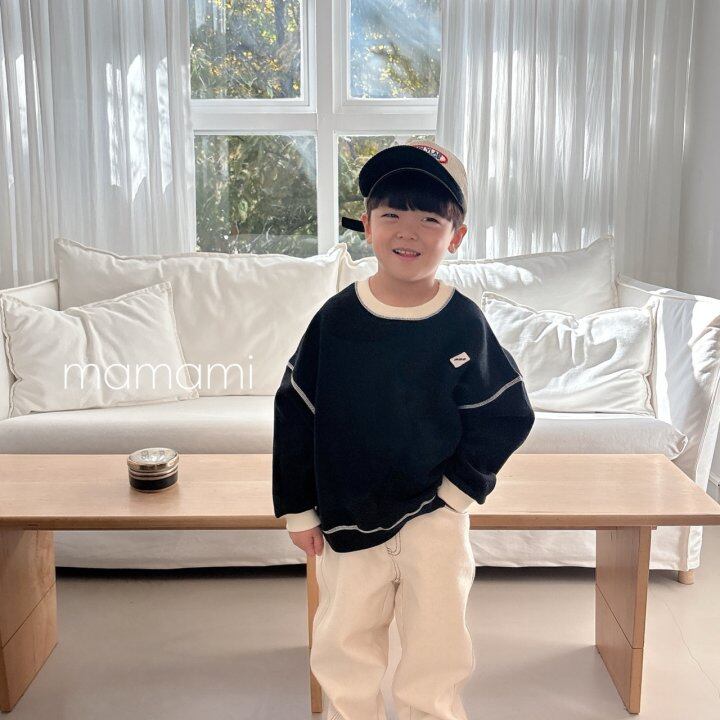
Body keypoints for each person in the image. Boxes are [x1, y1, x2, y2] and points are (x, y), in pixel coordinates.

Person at [272, 139, 535, 720]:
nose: (408, 231)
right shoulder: (337, 320)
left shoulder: (462, 321)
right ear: (367, 225)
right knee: (344, 643)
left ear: (456, 235)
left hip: (435, 519)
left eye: (430, 219)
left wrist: (458, 492)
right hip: (347, 513)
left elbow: (506, 412)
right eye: (392, 213)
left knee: (438, 646)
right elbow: (294, 411)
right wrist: (299, 510)